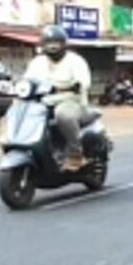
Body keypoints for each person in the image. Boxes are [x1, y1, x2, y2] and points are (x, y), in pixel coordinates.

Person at [24, 25, 92, 171]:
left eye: (56, 43)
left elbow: (83, 83)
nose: (53, 47)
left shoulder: (75, 60)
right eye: (49, 43)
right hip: (43, 102)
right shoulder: (37, 62)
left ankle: (75, 155)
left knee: (63, 115)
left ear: (64, 44)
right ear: (43, 45)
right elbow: (28, 80)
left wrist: (72, 86)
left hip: (71, 100)